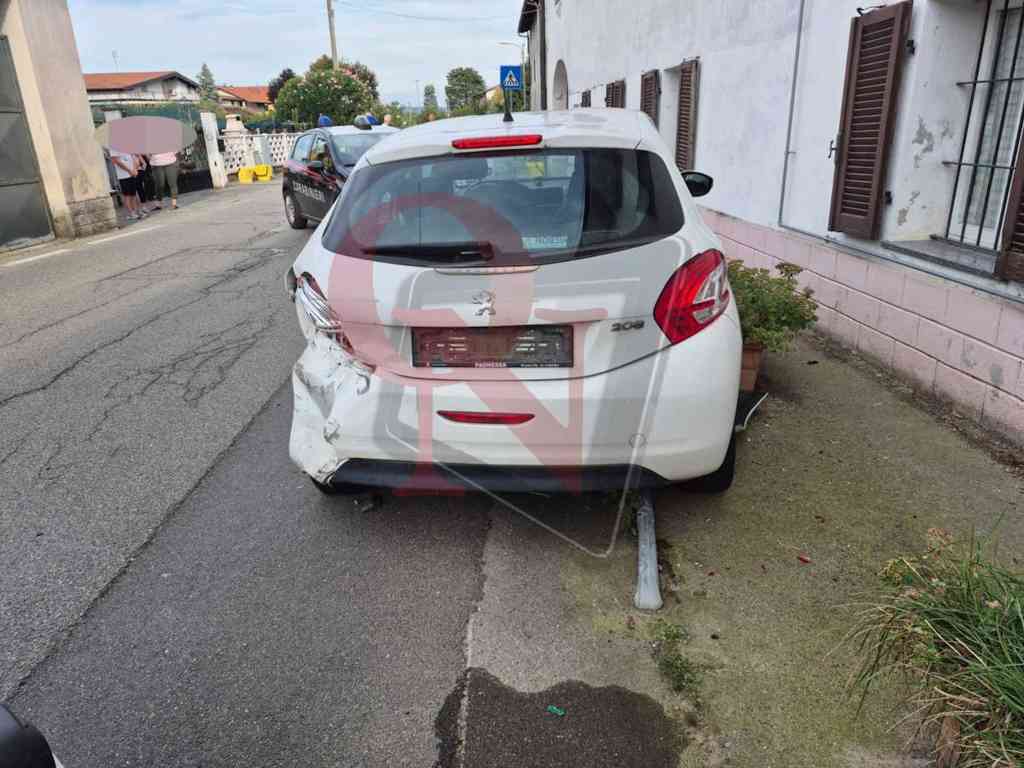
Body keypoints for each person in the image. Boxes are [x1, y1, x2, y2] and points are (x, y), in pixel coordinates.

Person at [110, 148, 143, 221]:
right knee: (127, 195)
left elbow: (134, 158)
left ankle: (135, 212)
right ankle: (131, 213)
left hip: (132, 173)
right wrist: (129, 170)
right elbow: (116, 161)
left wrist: (135, 169)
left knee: (133, 194)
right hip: (123, 175)